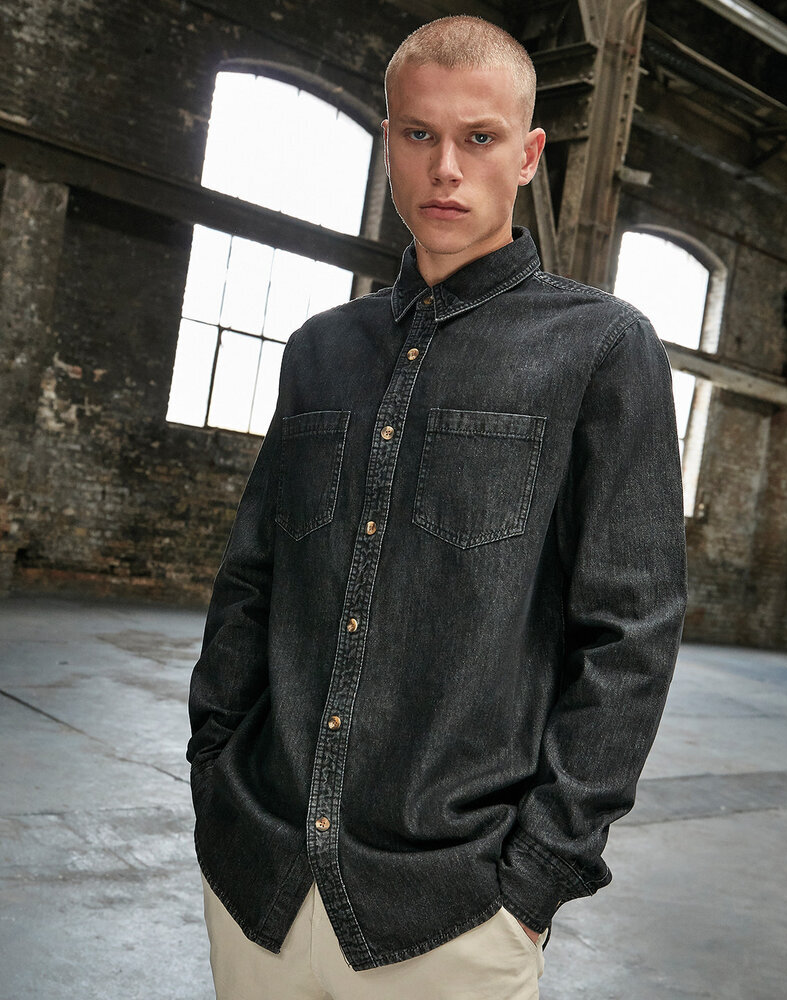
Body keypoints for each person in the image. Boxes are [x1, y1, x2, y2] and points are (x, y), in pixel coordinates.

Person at [186, 13, 688, 1000]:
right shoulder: (320, 350)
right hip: (260, 880)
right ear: (390, 143)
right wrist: (214, 772)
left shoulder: (600, 349)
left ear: (528, 155)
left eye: (478, 137)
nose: (445, 168)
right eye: (419, 134)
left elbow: (630, 634)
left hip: (450, 910)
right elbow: (251, 580)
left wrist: (536, 877)